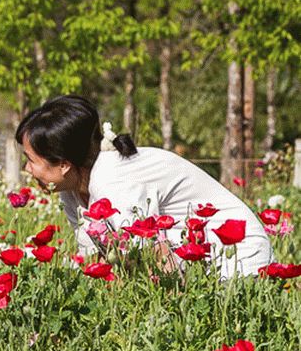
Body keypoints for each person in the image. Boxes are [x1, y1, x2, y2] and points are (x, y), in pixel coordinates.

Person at [15, 95, 273, 279]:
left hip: (236, 255)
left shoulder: (114, 182)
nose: (27, 170)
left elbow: (158, 259)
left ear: (63, 164)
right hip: (194, 260)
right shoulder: (73, 189)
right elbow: (99, 261)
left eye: (30, 160)